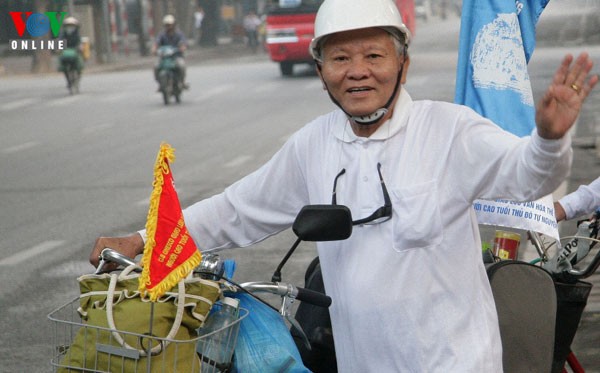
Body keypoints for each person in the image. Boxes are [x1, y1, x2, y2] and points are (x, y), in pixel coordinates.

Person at [90, 0, 598, 371]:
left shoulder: (450, 129)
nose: (358, 72)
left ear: (402, 62)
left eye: (374, 56)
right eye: (340, 59)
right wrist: (142, 240)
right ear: (320, 70)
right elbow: (236, 209)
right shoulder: (313, 145)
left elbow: (527, 175)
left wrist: (549, 139)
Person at [152, 14, 189, 89]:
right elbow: (157, 42)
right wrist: (154, 49)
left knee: (181, 65)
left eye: (170, 25)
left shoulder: (178, 34)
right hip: (164, 58)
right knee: (156, 67)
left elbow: (183, 42)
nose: (168, 27)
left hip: (176, 57)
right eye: (167, 25)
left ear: (173, 25)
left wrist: (182, 47)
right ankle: (161, 83)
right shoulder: (162, 34)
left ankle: (182, 81)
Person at [58, 17, 84, 81]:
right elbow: (60, 41)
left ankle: (78, 75)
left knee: (79, 63)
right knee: (63, 65)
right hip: (66, 50)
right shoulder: (63, 34)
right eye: (68, 26)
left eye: (72, 26)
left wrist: (80, 47)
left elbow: (79, 42)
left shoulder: (76, 34)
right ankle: (68, 79)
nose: (70, 27)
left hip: (75, 50)